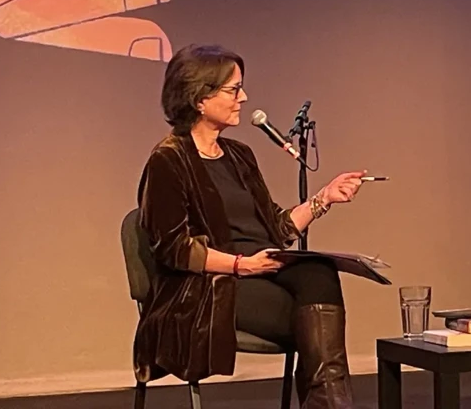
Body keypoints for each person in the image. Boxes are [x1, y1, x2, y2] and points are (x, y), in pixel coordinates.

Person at [133, 44, 367, 409]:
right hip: (209, 283)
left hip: (262, 267)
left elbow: (275, 227)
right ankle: (332, 404)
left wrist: (324, 197)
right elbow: (174, 248)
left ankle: (329, 404)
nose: (243, 98)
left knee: (319, 272)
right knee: (314, 324)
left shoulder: (240, 155)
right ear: (199, 97)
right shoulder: (168, 160)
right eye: (233, 89)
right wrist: (242, 265)